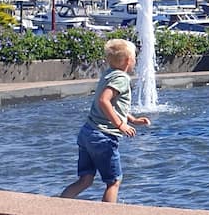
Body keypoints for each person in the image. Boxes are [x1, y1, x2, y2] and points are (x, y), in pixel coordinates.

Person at [60, 38, 150, 204]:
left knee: (85, 180)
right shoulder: (122, 78)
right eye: (135, 58)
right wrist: (120, 125)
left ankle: (56, 206)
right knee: (113, 182)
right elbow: (104, 101)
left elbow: (115, 106)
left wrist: (132, 119)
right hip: (103, 137)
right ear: (129, 61)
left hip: (87, 133)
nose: (136, 61)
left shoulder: (108, 74)